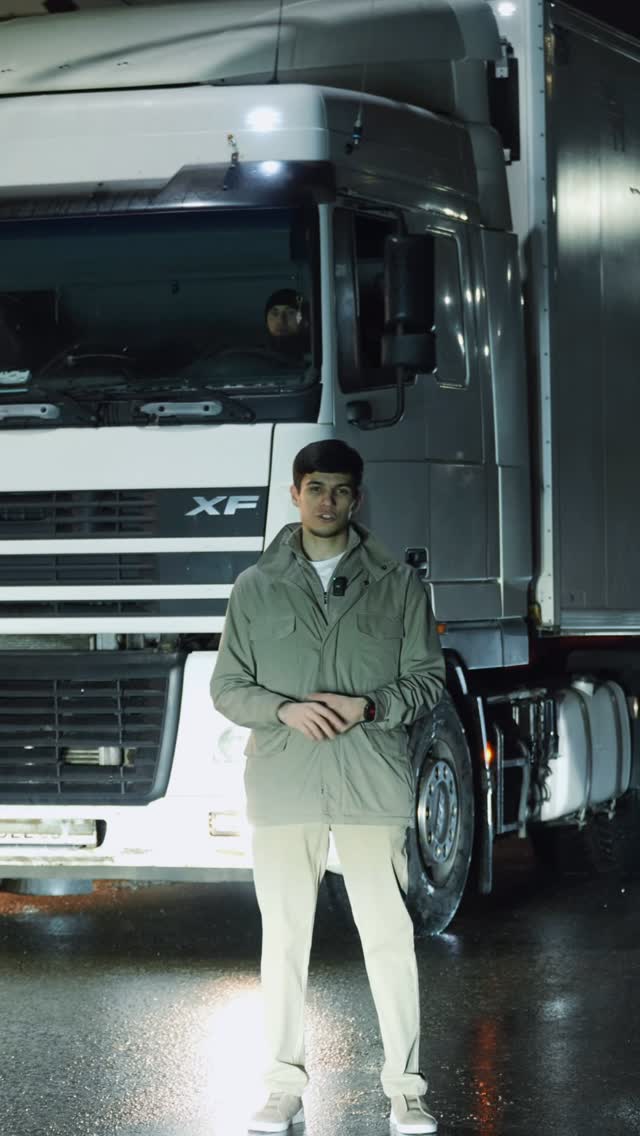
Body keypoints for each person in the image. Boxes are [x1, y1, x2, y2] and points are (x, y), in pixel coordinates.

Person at [211, 439, 445, 1134]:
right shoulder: (255, 587)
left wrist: (368, 706)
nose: (327, 501)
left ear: (357, 497)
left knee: (389, 938)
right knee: (284, 940)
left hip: (371, 778)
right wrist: (283, 710)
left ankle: (407, 1092)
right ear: (295, 493)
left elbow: (427, 680)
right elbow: (228, 686)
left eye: (341, 490)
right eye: (315, 488)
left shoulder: (398, 584)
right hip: (285, 781)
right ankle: (282, 1088)